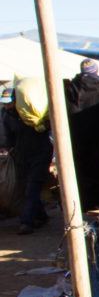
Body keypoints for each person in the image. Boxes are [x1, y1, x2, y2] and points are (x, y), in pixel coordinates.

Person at [67, 59, 99, 211]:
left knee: (80, 179)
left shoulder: (69, 93)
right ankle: (96, 213)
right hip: (97, 146)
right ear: (96, 72)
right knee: (98, 180)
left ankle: (80, 210)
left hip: (75, 146)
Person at [2, 83, 53, 234]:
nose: (7, 106)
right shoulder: (6, 116)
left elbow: (46, 127)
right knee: (28, 188)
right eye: (4, 104)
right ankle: (41, 216)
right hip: (21, 157)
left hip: (40, 153)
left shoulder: (32, 114)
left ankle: (26, 222)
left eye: (9, 103)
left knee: (32, 187)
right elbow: (7, 137)